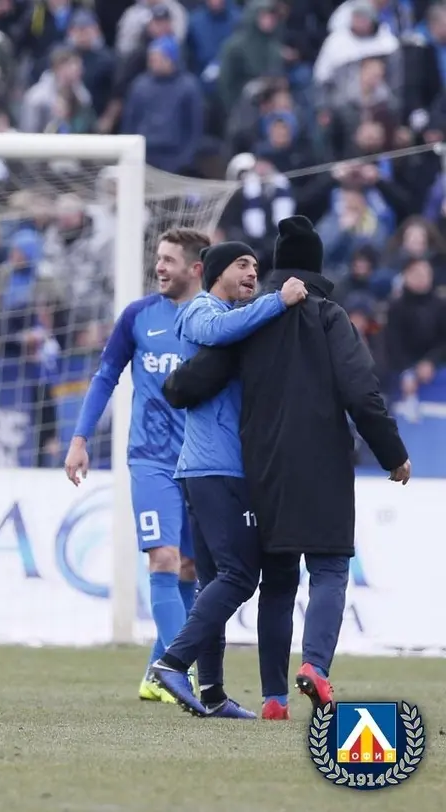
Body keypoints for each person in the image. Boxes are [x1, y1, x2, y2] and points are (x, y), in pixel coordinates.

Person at [162, 216, 410, 715]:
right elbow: (362, 393)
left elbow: (190, 383)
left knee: (277, 581)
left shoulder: (253, 319)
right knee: (330, 568)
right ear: (317, 268)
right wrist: (393, 454)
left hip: (262, 472)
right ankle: (314, 666)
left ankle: (274, 698)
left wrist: (174, 387)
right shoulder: (330, 317)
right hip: (323, 467)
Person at [149, 241, 308, 718]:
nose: (252, 273)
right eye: (242, 265)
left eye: (256, 267)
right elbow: (217, 331)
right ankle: (172, 663)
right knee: (240, 576)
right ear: (215, 272)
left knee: (212, 582)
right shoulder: (202, 310)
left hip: (209, 469)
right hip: (218, 469)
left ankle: (213, 693)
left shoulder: (237, 318)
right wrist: (279, 300)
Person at [64, 229, 209, 704]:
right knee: (163, 558)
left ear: (196, 268)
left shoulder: (213, 319)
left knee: (190, 567)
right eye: (158, 258)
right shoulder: (138, 316)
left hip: (200, 460)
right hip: (150, 458)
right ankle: (179, 673)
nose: (159, 267)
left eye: (170, 260)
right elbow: (106, 375)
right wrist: (80, 439)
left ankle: (155, 673)